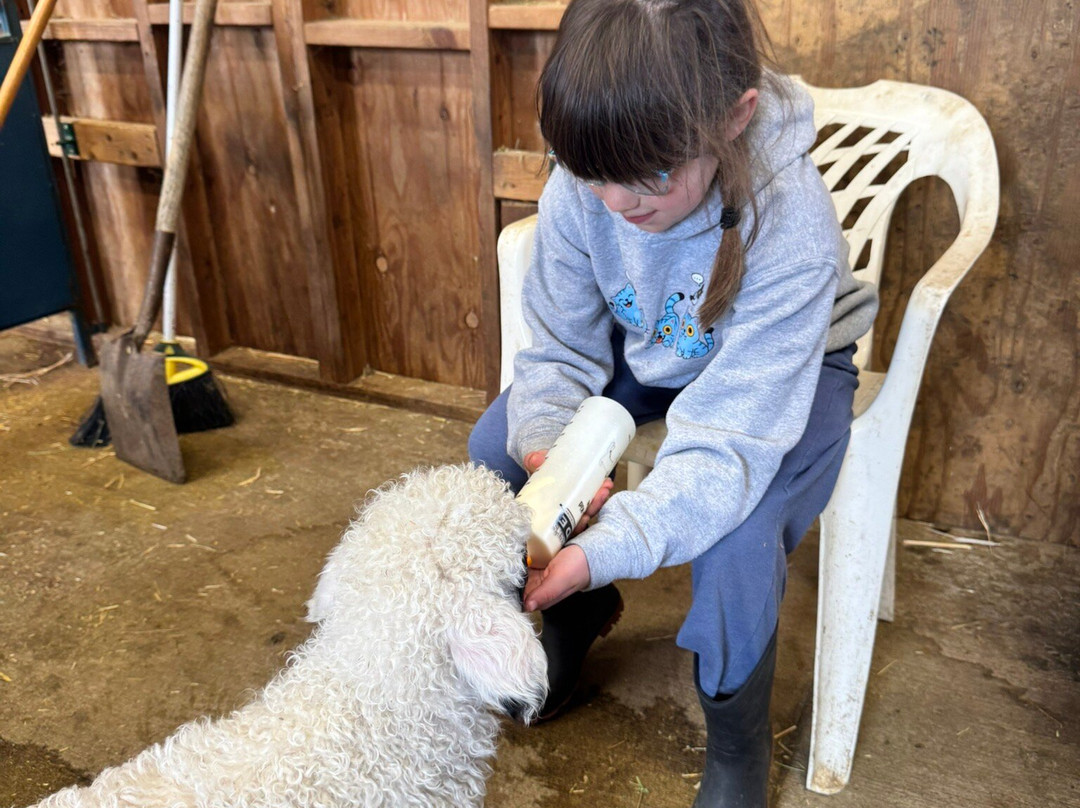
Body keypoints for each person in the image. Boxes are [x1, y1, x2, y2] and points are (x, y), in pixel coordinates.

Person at [468, 0, 878, 803]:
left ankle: (735, 738)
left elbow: (727, 441)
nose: (615, 202)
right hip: (655, 348)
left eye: (647, 174)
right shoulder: (585, 186)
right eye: (594, 175)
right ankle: (575, 617)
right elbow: (559, 345)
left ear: (736, 117)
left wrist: (618, 537)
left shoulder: (789, 224)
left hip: (784, 374)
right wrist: (553, 448)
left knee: (738, 537)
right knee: (494, 449)